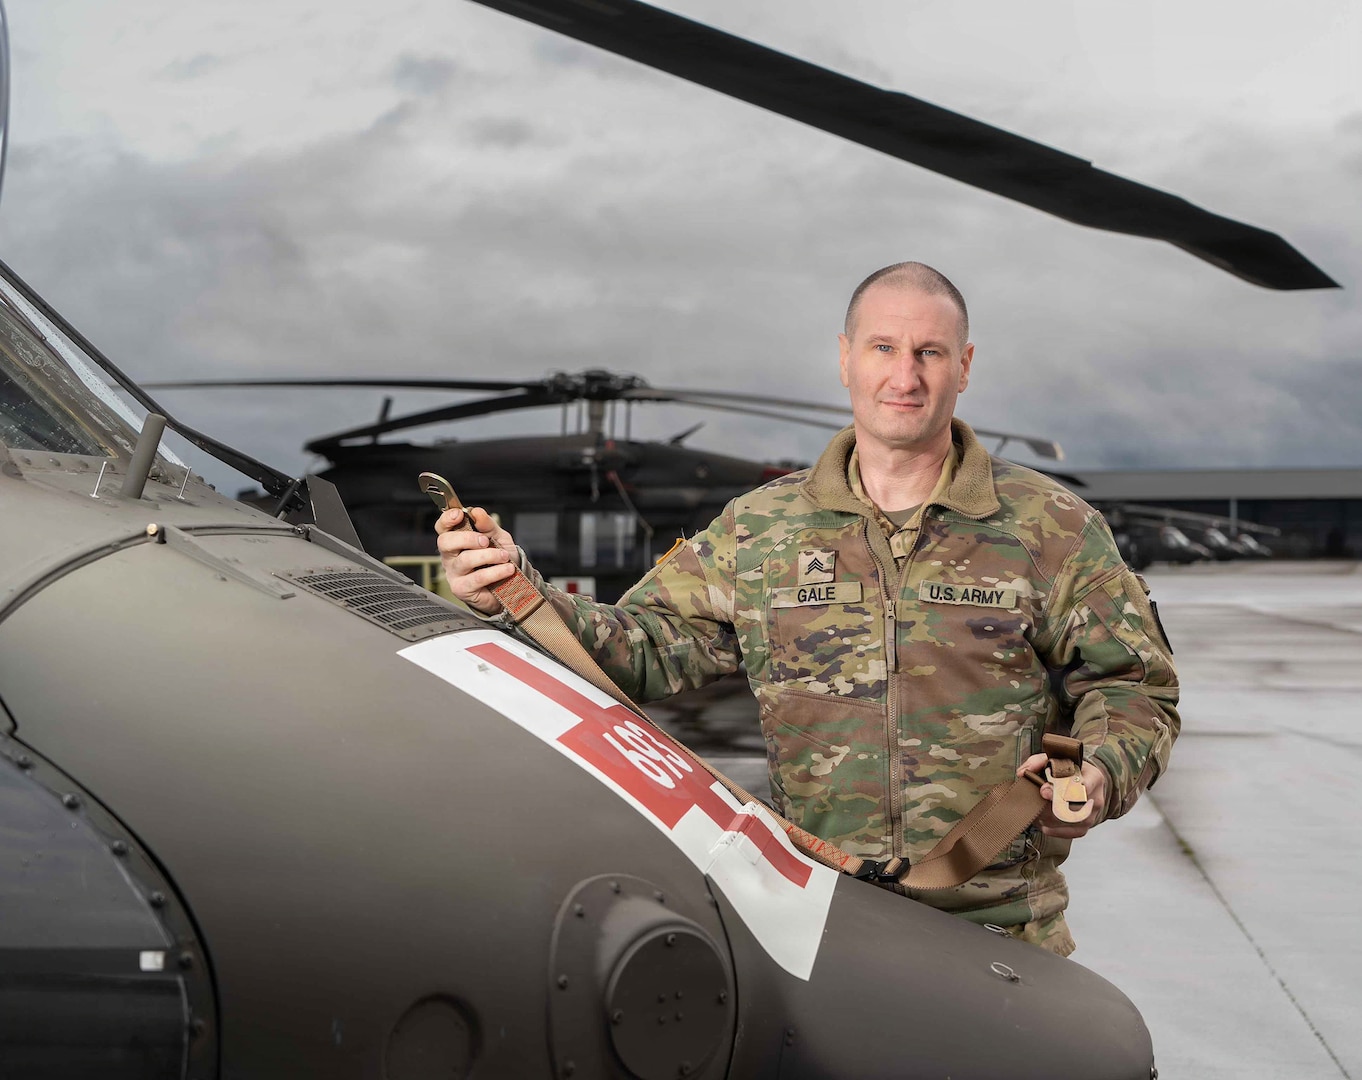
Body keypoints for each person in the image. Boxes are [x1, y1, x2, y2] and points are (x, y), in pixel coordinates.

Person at [436, 262, 1180, 956]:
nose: (905, 375)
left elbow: (1131, 685)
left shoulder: (1051, 526)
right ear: (846, 357)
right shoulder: (761, 529)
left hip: (1005, 926)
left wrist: (1100, 774)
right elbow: (643, 647)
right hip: (823, 923)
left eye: (930, 352)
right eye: (884, 347)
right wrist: (511, 588)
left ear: (965, 366)